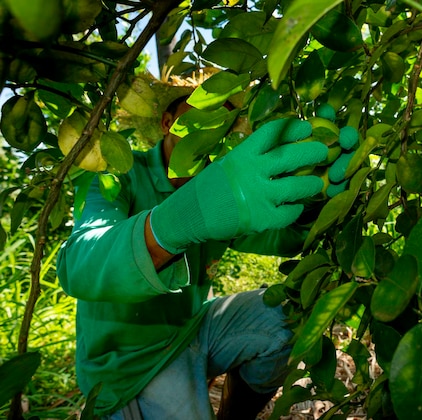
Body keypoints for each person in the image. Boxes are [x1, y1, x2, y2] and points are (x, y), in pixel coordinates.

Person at [56, 93, 331, 419]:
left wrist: (316, 196)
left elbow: (282, 236)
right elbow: (79, 265)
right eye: (198, 115)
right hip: (129, 363)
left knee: (286, 316)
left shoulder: (223, 185)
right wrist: (172, 225)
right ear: (167, 122)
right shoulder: (117, 174)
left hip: (190, 329)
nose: (210, 127)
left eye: (221, 121)